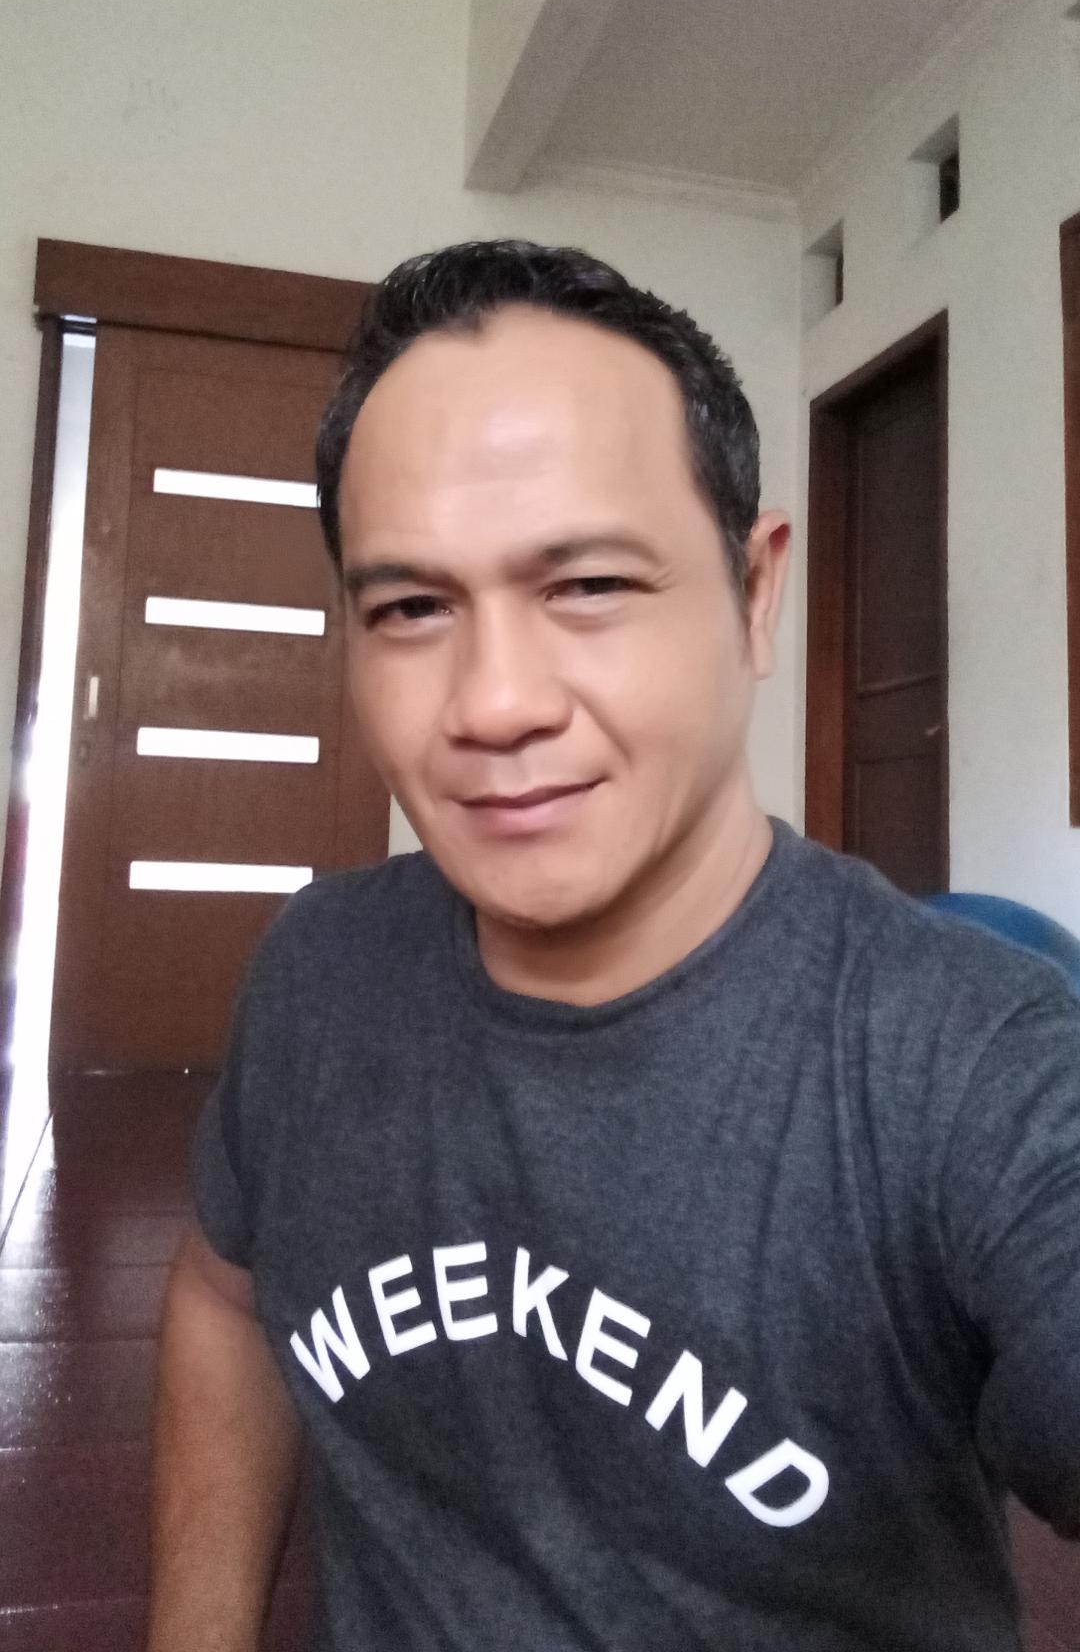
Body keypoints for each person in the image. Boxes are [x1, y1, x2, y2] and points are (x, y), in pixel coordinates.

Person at [148, 239, 1080, 1652]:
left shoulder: (971, 1068)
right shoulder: (319, 969)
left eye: (586, 585)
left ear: (755, 594)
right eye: (411, 608)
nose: (494, 704)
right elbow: (227, 1295)